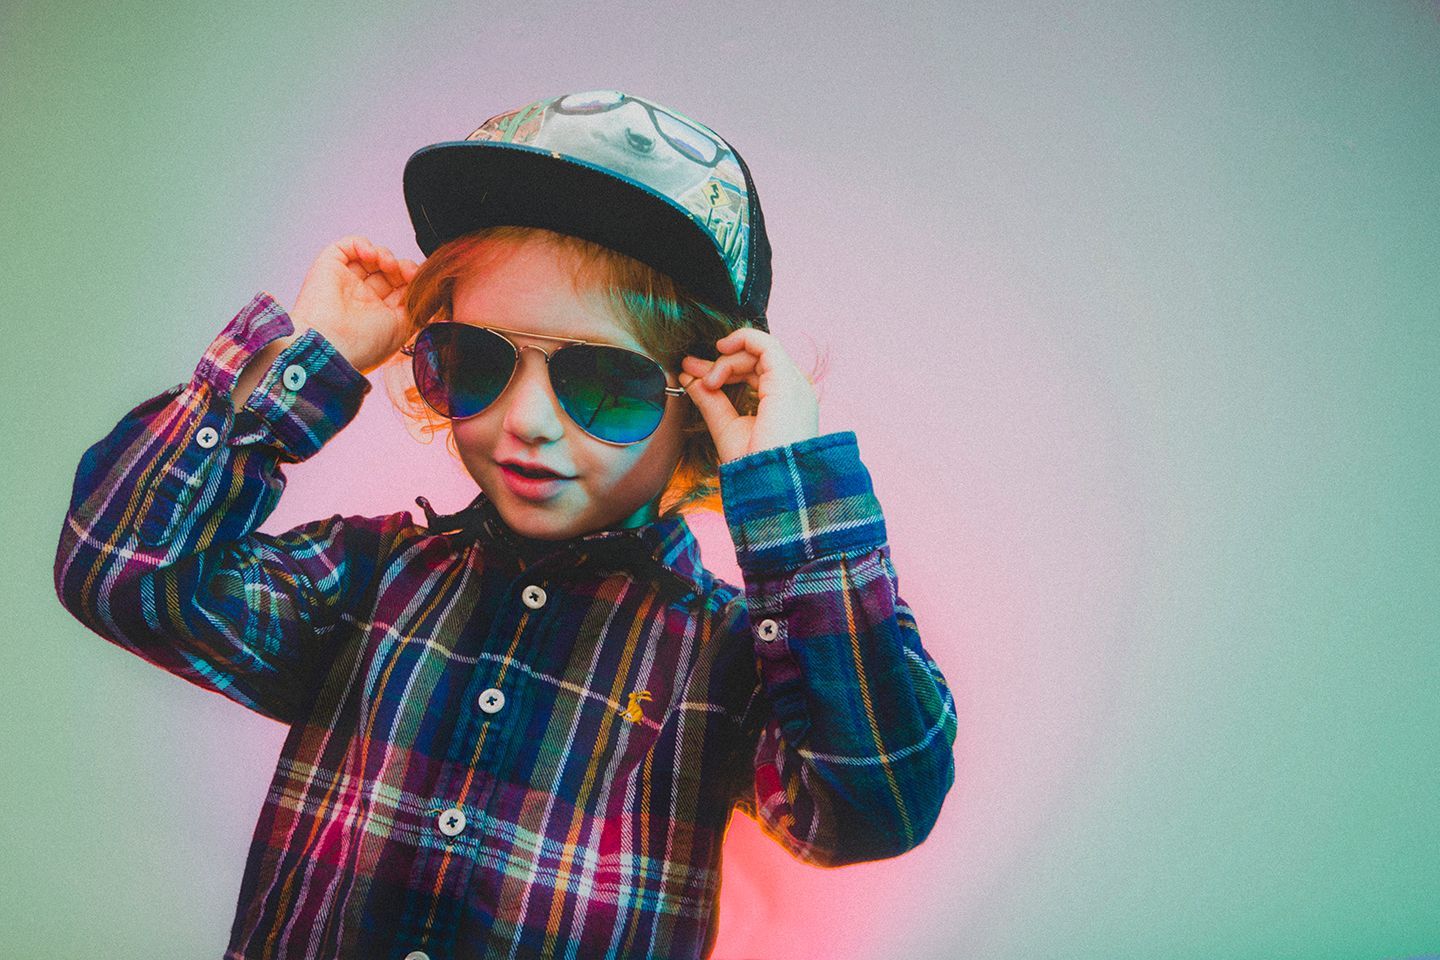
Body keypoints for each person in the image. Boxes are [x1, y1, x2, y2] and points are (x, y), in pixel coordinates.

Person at [53, 89, 958, 960]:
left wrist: (790, 490)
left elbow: (874, 801)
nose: (525, 421)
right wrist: (304, 363)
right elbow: (121, 571)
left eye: (603, 382)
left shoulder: (724, 658)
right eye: (476, 359)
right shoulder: (368, 578)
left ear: (702, 403)